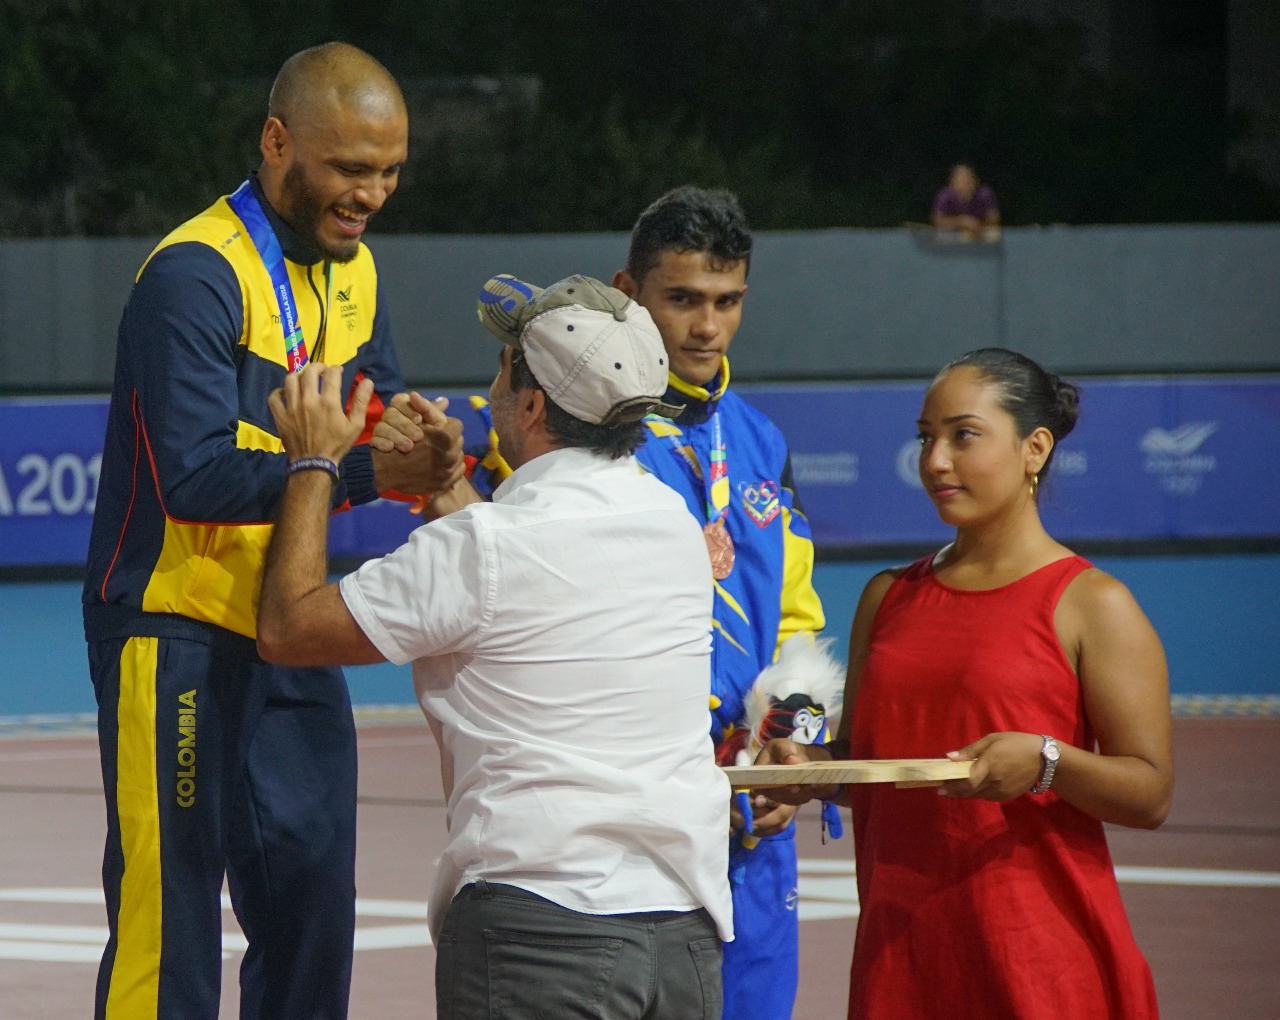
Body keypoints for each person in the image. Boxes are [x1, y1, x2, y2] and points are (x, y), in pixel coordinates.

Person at [82, 42, 463, 1019]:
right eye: (348, 170)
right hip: (172, 629)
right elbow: (196, 476)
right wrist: (369, 469)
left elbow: (373, 408)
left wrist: (424, 443)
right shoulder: (193, 277)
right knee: (168, 928)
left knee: (310, 913)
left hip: (292, 624)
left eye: (387, 172)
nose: (369, 194)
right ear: (277, 141)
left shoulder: (357, 270)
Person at [255, 274, 734, 1020]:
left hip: (540, 935)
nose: (493, 384)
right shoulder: (670, 519)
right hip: (682, 938)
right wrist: (444, 482)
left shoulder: (486, 549)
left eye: (506, 368)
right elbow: (522, 577)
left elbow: (290, 628)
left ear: (534, 405)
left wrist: (313, 461)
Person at [760, 348, 1174, 1019]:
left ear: (1034, 448)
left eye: (963, 435)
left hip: (1042, 970)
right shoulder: (887, 596)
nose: (935, 461)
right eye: (926, 437)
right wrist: (808, 767)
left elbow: (1150, 793)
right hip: (904, 965)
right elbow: (863, 761)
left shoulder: (1093, 603)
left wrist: (1045, 762)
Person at [611, 186, 831, 1020]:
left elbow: (801, 627)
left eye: (727, 301)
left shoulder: (762, 442)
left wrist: (794, 749)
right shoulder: (586, 435)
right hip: (633, 815)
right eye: (684, 301)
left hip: (750, 826)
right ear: (629, 294)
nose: (708, 328)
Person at [931, 163, 1001, 238]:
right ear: (951, 183)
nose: (963, 185)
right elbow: (937, 221)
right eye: (959, 181)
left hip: (979, 234)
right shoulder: (944, 195)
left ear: (975, 181)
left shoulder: (984, 194)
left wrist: (977, 224)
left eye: (967, 181)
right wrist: (961, 222)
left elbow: (994, 218)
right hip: (953, 236)